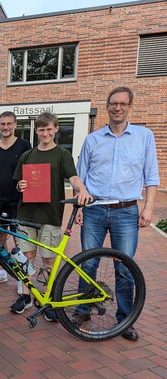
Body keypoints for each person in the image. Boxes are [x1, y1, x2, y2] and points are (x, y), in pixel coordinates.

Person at [75, 86, 159, 341]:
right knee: (88, 262)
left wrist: (148, 207)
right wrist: (77, 208)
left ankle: (125, 319)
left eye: (122, 104)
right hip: (94, 210)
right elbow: (81, 176)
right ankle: (83, 308)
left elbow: (151, 175)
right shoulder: (93, 139)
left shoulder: (144, 136)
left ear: (129, 107)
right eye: (113, 103)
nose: (117, 108)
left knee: (124, 267)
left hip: (126, 211)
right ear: (107, 106)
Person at [12, 112, 92, 321]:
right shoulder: (27, 155)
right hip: (27, 214)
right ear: (36, 131)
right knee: (26, 257)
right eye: (41, 129)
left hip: (51, 215)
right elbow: (19, 183)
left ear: (56, 129)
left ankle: (47, 298)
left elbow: (74, 178)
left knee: (48, 260)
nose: (45, 133)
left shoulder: (62, 155)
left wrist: (81, 190)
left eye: (49, 129)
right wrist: (20, 185)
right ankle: (26, 295)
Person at [0, 112, 31, 292]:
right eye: (2, 124)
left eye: (9, 124)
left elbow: (30, 170)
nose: (5, 127)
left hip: (18, 200)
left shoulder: (24, 145)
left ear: (15, 125)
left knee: (19, 240)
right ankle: (2, 272)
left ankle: (22, 280)